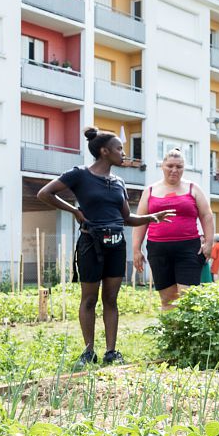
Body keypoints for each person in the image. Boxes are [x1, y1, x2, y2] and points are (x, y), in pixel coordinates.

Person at [37, 127, 174, 367]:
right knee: (89, 299)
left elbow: (127, 219)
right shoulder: (79, 174)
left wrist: (152, 217)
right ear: (104, 151)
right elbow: (44, 193)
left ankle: (112, 352)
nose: (123, 153)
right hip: (91, 243)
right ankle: (88, 352)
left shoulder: (119, 182)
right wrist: (75, 211)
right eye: (119, 148)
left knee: (111, 298)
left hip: (116, 245)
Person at [132, 148, 214, 309]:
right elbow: (141, 221)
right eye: (170, 166)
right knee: (167, 299)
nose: (174, 170)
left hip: (189, 248)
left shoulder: (193, 188)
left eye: (179, 167)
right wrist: (136, 249)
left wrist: (209, 242)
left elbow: (206, 215)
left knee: (188, 297)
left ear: (184, 168)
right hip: (158, 249)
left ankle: (187, 334)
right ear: (162, 166)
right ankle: (171, 333)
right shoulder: (150, 191)